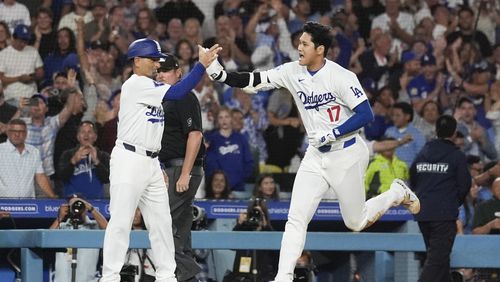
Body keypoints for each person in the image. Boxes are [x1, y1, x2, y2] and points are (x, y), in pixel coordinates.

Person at [204, 21, 420, 281]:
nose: (299, 47)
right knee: (296, 217)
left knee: (355, 222)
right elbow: (254, 81)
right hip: (316, 156)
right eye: (299, 42)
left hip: (347, 153)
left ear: (320, 49)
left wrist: (334, 132)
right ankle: (283, 277)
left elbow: (366, 114)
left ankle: (396, 192)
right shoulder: (292, 71)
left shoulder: (341, 76)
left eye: (305, 43)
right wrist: (217, 72)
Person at [101, 38, 220, 282]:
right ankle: (110, 277)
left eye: (158, 59)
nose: (157, 63)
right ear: (137, 61)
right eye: (152, 59)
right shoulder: (136, 84)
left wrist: (157, 163)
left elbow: (152, 131)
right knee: (121, 222)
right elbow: (178, 91)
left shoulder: (152, 87)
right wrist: (201, 66)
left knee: (162, 223)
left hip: (151, 162)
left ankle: (167, 276)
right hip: (129, 159)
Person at [157, 54, 205, 282]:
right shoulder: (165, 98)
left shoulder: (183, 95)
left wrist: (184, 173)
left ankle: (191, 274)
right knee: (180, 234)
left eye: (165, 70)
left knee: (161, 228)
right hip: (172, 169)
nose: (160, 74)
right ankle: (189, 278)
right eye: (158, 71)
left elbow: (195, 135)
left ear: (178, 72)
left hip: (182, 169)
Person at [409, 115, 471, 282]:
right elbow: (464, 185)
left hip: (423, 213)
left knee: (440, 259)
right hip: (443, 215)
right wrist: (451, 202)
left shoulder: (423, 153)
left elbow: (412, 178)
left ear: (436, 130)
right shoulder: (456, 155)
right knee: (437, 261)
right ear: (454, 132)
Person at [50, 194, 108, 282]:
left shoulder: (94, 226)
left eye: (79, 204)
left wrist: (91, 208)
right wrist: (60, 217)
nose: (76, 208)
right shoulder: (61, 227)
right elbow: (47, 239)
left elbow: (109, 232)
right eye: (72, 206)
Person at [0, 119, 57, 198]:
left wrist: (52, 196)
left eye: (21, 131)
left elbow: (40, 177)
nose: (17, 134)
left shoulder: (34, 152)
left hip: (29, 205)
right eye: (13, 131)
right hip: (4, 205)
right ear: (8, 133)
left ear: (26, 134)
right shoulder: (1, 151)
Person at [57, 121, 110, 199]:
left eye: (89, 132)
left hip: (97, 203)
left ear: (95, 137)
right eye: (83, 132)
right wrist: (73, 161)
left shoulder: (103, 156)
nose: (86, 135)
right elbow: (61, 177)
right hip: (72, 202)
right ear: (78, 137)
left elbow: (107, 179)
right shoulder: (67, 154)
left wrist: (97, 162)